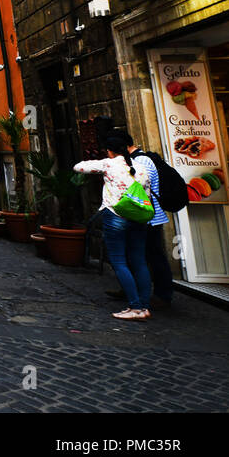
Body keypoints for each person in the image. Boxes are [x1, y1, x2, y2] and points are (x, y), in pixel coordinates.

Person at [74, 134, 152, 321]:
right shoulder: (140, 167)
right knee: (139, 262)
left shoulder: (109, 164)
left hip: (116, 215)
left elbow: (79, 167)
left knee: (119, 262)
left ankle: (135, 306)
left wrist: (102, 163)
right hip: (138, 217)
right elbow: (146, 193)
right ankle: (145, 306)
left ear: (109, 151)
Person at [121, 132, 174, 309]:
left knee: (154, 255)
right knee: (140, 255)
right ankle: (134, 290)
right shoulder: (137, 159)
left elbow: (138, 188)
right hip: (144, 216)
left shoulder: (141, 161)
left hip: (149, 217)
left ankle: (163, 295)